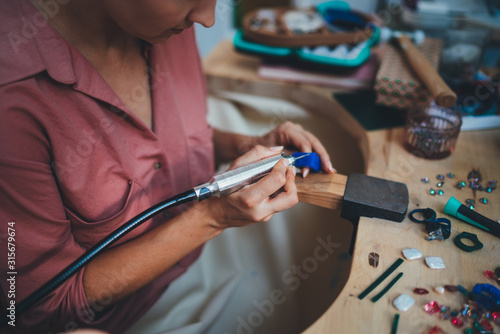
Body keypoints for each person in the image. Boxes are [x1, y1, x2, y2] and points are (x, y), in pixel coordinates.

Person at [0, 0, 336, 333]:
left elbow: (176, 137)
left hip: (212, 258)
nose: (207, 19)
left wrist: (251, 145)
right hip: (133, 319)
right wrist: (213, 217)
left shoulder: (166, 26)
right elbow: (42, 309)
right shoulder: (12, 102)